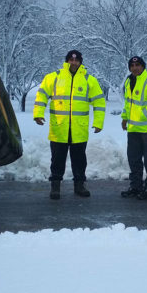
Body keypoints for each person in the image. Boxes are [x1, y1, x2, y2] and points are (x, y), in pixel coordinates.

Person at [33, 50, 106, 200]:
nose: (73, 63)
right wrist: (38, 114)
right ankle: (55, 186)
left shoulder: (89, 80)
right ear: (66, 61)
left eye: (76, 60)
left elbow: (99, 102)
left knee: (79, 160)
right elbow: (41, 95)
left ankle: (79, 185)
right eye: (71, 60)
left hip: (79, 129)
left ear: (80, 62)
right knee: (57, 159)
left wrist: (98, 122)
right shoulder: (54, 77)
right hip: (59, 128)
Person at [120, 56, 147, 200]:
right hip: (133, 130)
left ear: (143, 66)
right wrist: (125, 118)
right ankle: (135, 187)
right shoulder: (129, 82)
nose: (135, 68)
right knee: (134, 159)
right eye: (132, 65)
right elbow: (128, 103)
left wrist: (140, 116)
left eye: (138, 65)